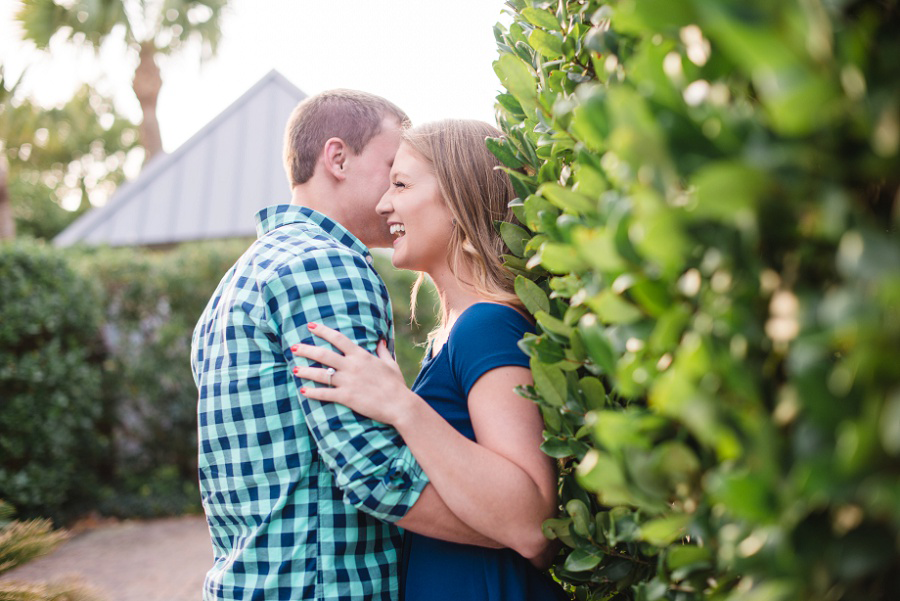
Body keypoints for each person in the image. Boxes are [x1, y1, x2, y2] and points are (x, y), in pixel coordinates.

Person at [191, 92, 498, 601]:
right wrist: (520, 533)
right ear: (337, 158)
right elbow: (376, 471)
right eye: (391, 169)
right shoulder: (326, 266)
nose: (390, 196)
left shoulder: (235, 283)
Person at [290, 119, 566, 601]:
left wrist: (402, 406)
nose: (382, 203)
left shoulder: (487, 326)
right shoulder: (453, 335)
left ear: (459, 200)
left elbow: (532, 525)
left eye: (400, 184)